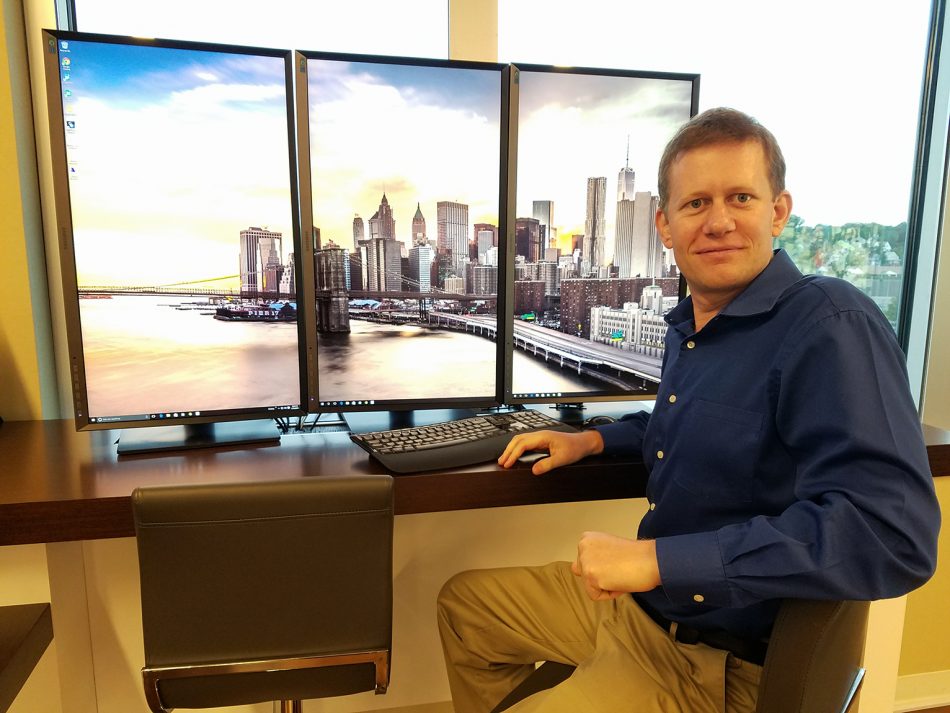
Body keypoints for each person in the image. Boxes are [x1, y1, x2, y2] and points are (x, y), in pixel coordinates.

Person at [436, 107, 941, 713]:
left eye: (740, 197)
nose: (719, 221)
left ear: (778, 211)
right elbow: (702, 423)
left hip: (716, 663)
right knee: (465, 607)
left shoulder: (831, 324)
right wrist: (597, 440)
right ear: (665, 225)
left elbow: (892, 534)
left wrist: (657, 560)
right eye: (696, 203)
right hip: (642, 612)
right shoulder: (693, 326)